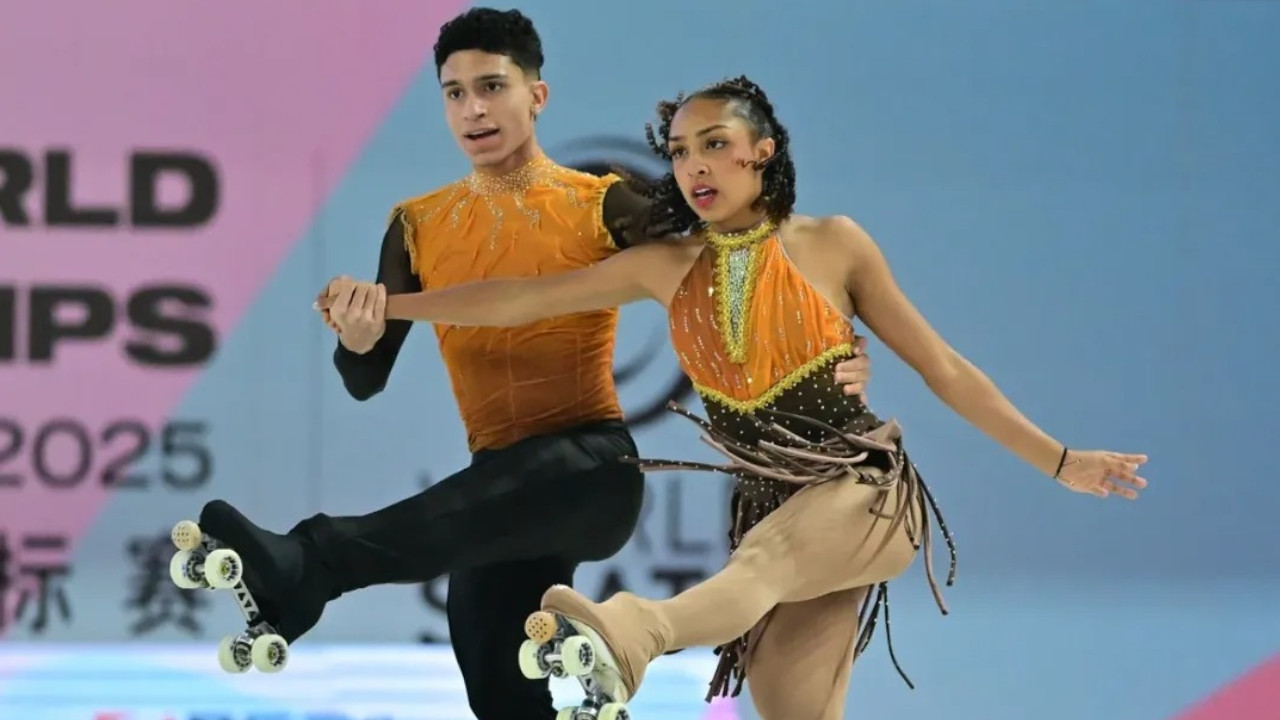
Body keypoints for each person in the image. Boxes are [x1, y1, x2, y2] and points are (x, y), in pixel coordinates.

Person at [323, 75, 1150, 719]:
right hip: (767, 504)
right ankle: (639, 637)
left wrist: (1061, 460)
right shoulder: (666, 266)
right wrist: (389, 305)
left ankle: (635, 632)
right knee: (786, 703)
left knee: (767, 565)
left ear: (761, 150)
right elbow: (513, 299)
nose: (694, 167)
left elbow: (944, 368)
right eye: (680, 152)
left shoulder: (833, 243)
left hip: (865, 490)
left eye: (714, 145)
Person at [189, 10, 874, 720]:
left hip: (588, 474)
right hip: (497, 496)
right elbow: (364, 378)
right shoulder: (416, 224)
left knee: (474, 508)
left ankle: (309, 564)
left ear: (536, 96)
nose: (474, 108)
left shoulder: (601, 203)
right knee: (501, 698)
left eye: (492, 86)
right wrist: (359, 337)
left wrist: (836, 344)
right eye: (454, 93)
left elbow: (740, 249)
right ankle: (309, 569)